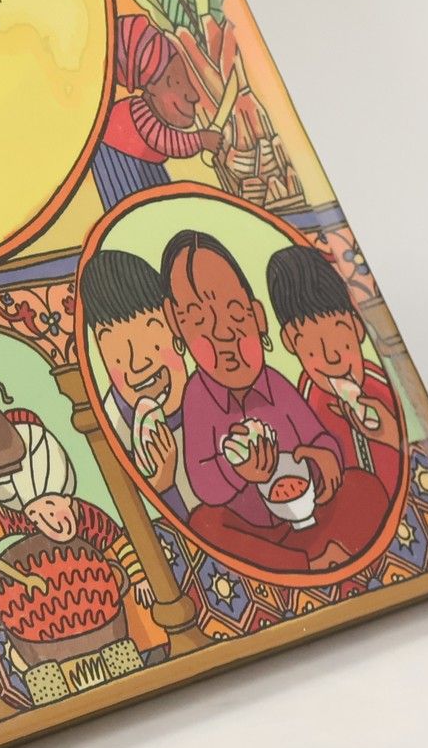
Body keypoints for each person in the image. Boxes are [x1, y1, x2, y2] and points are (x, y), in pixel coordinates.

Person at [163, 230, 391, 573]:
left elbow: (319, 437)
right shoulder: (197, 396)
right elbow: (203, 480)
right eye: (199, 321)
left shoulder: (276, 384)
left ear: (258, 316)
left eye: (236, 314)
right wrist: (238, 472)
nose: (224, 334)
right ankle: (307, 564)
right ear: (176, 327)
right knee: (204, 524)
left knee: (363, 487)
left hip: (308, 513)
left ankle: (324, 555)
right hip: (254, 535)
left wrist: (324, 457)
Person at [265, 243, 404, 496]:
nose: (333, 357)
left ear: (357, 328)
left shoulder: (383, 384)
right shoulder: (304, 404)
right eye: (314, 349)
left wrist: (393, 435)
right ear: (290, 342)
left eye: (342, 339)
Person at [77, 247, 198, 521]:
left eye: (149, 333)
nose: (137, 363)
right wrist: (162, 489)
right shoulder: (110, 431)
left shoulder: (212, 398)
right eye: (116, 349)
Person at [91, 13, 227, 209]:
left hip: (145, 173)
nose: (193, 96)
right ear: (152, 86)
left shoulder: (144, 111)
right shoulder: (138, 114)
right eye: (175, 82)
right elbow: (167, 142)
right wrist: (201, 140)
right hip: (126, 173)